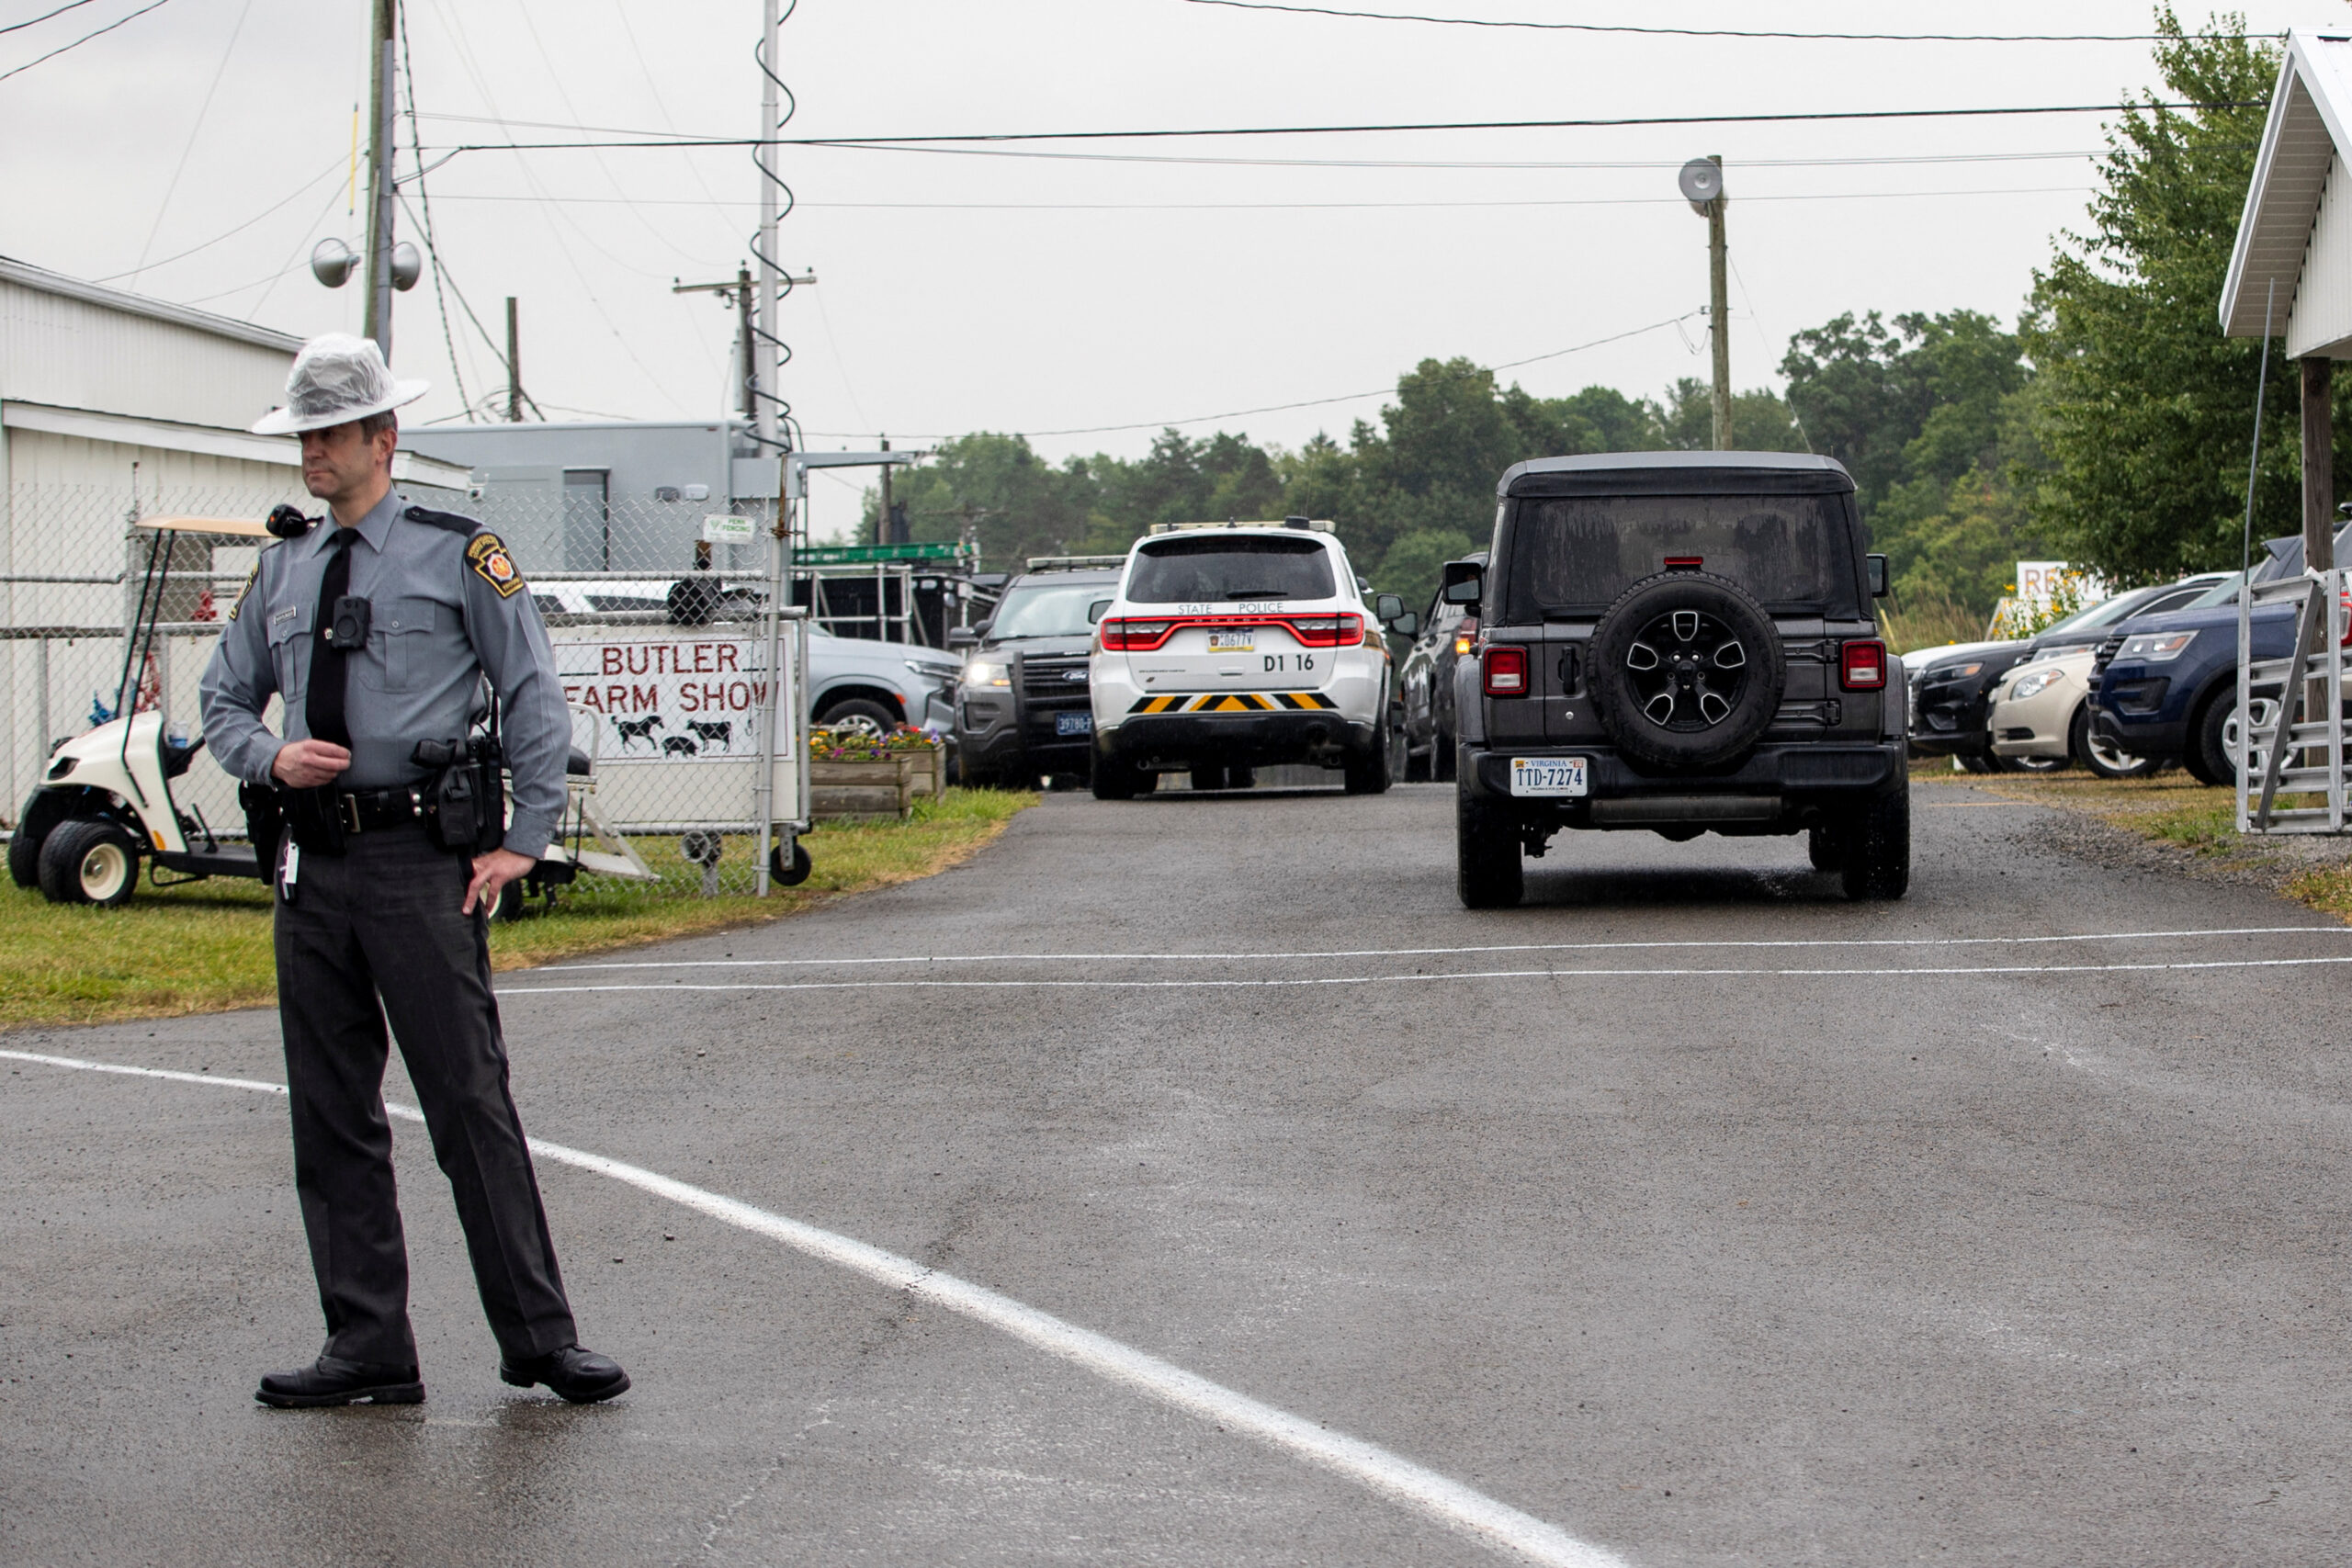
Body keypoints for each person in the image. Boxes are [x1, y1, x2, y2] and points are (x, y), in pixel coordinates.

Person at [198, 334, 627, 1408]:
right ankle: (367, 1347)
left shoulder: (458, 551)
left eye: (330, 434)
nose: (311, 453)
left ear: (383, 438)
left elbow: (530, 689)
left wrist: (527, 835)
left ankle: (538, 1337)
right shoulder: (285, 563)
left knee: (466, 1103)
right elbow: (219, 701)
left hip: (416, 864)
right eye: (301, 435)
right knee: (331, 1114)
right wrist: (269, 755)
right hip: (315, 863)